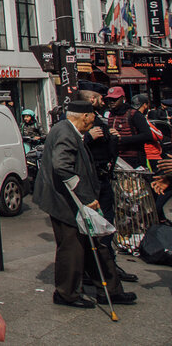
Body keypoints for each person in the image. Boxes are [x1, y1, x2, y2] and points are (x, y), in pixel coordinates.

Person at [33, 100, 135, 308]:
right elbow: (62, 165)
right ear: (85, 116)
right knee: (72, 249)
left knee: (95, 246)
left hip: (74, 201)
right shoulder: (65, 132)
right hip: (67, 203)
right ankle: (66, 293)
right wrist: (85, 195)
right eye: (92, 118)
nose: (94, 122)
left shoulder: (66, 129)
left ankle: (109, 290)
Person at [80, 89, 136, 284]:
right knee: (98, 227)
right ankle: (101, 271)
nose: (104, 101)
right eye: (101, 98)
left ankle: (107, 267)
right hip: (91, 181)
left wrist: (113, 137)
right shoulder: (77, 122)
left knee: (106, 225)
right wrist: (87, 138)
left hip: (103, 177)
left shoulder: (99, 119)